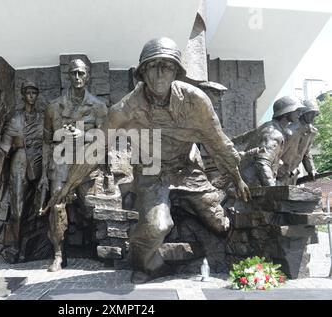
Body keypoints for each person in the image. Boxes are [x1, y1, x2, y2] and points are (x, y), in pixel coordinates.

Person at [47, 38, 250, 283]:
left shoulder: (196, 102)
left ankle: (212, 218)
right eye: (152, 66)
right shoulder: (125, 108)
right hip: (152, 172)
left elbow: (218, 142)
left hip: (188, 169)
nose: (159, 73)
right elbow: (95, 149)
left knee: (219, 223)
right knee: (156, 227)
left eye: (166, 66)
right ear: (142, 72)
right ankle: (150, 266)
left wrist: (237, 178)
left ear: (176, 70)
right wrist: (68, 185)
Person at [39, 59, 108, 272]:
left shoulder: (98, 106)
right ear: (68, 76)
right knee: (57, 204)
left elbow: (106, 139)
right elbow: (46, 141)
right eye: (73, 74)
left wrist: (84, 135)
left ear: (87, 76)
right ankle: (58, 255)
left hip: (86, 163)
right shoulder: (53, 106)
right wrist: (43, 174)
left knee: (90, 207)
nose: (77, 78)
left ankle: (102, 248)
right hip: (60, 159)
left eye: (81, 73)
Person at [0, 82, 43, 261]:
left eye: (34, 93)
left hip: (38, 161)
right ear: (23, 95)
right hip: (19, 161)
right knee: (17, 209)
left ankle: (34, 245)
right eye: (28, 93)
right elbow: (4, 148)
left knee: (39, 206)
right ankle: (15, 246)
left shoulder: (42, 118)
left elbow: (48, 143)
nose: (31, 96)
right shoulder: (15, 118)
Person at [236, 96, 303, 187]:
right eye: (297, 110)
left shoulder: (268, 126)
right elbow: (262, 163)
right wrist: (272, 189)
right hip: (252, 185)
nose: (300, 113)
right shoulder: (274, 133)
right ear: (287, 112)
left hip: (248, 181)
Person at [277, 100, 320, 185]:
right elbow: (276, 154)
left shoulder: (312, 132)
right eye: (310, 113)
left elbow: (306, 153)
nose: (313, 116)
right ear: (303, 113)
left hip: (292, 175)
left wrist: (311, 169)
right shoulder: (290, 131)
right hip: (278, 175)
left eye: (315, 113)